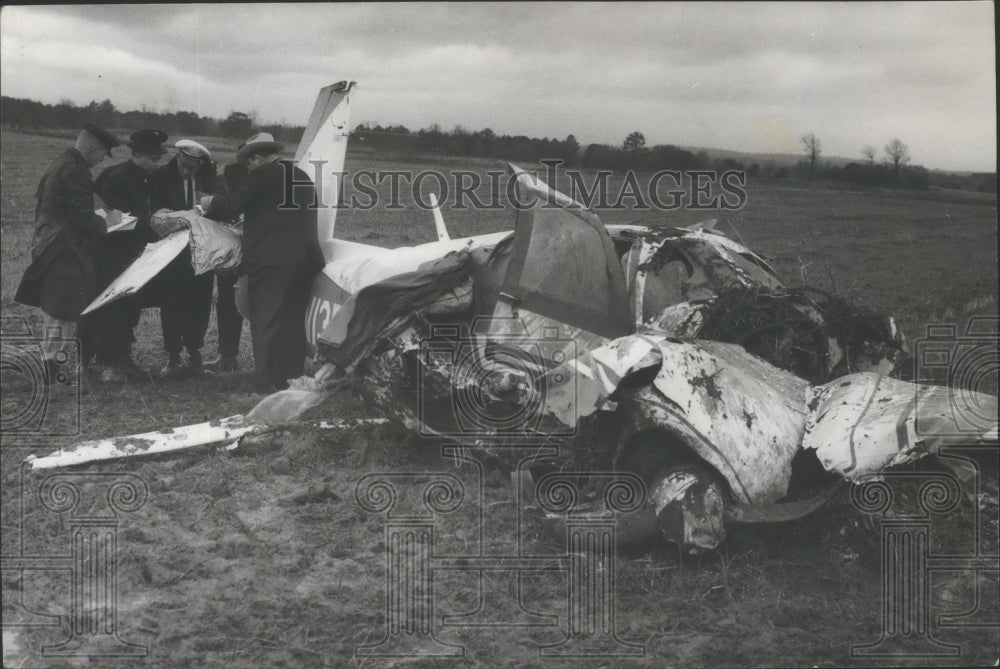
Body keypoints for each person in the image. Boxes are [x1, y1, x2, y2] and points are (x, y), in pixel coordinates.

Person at [201, 133, 324, 391]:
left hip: (272, 260)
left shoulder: (264, 174)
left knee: (266, 319)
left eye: (249, 163)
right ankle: (292, 380)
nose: (249, 168)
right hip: (303, 261)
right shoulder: (301, 176)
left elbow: (231, 206)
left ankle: (266, 382)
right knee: (292, 321)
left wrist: (210, 202)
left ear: (256, 158)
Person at [14, 123, 122, 383]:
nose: (99, 162)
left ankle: (51, 363)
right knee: (66, 309)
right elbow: (82, 217)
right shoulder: (76, 170)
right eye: (101, 155)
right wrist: (110, 221)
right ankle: (50, 365)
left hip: (53, 243)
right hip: (65, 248)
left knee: (59, 308)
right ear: (94, 149)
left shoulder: (62, 161)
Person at [87, 129, 168, 382]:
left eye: (160, 159)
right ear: (137, 154)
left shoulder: (150, 178)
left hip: (136, 254)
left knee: (128, 308)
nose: (158, 164)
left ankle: (123, 359)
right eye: (153, 159)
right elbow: (114, 221)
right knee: (107, 309)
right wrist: (152, 221)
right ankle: (105, 364)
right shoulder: (115, 178)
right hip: (110, 254)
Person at [147, 139, 229, 377]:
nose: (186, 171)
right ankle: (173, 355)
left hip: (202, 249)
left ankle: (195, 353)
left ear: (201, 165)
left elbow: (223, 198)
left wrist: (205, 207)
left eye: (192, 168)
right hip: (171, 250)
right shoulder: (161, 177)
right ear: (177, 158)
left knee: (200, 301)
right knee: (171, 301)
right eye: (182, 165)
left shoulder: (210, 177)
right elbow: (156, 208)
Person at [204, 158, 250, 372]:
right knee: (228, 306)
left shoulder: (227, 201)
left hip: (231, 261)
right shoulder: (252, 199)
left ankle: (228, 355)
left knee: (227, 306)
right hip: (243, 261)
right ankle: (228, 356)